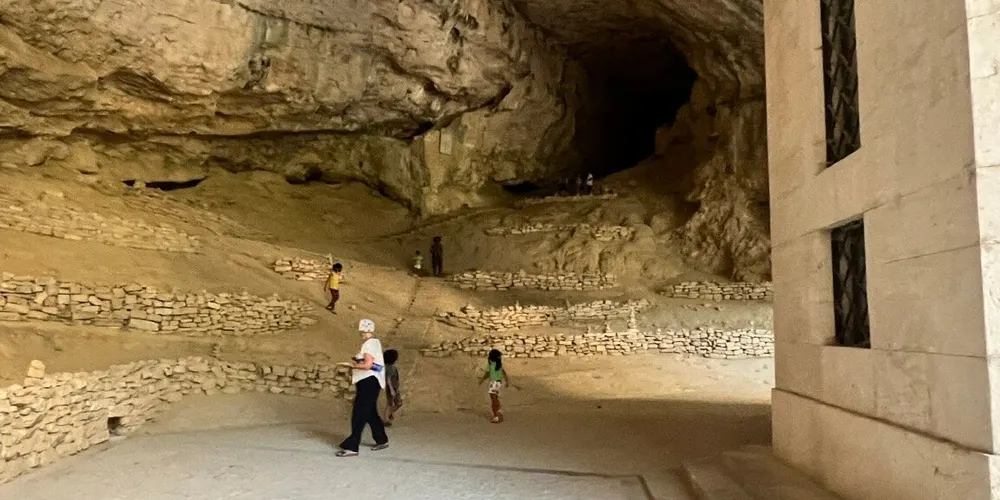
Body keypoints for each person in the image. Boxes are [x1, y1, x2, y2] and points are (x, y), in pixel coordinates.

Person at [336, 319, 389, 457]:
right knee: (370, 412)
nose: (361, 334)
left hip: (368, 381)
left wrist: (351, 365)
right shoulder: (375, 343)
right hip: (372, 382)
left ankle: (352, 446)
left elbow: (368, 365)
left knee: (359, 413)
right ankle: (381, 439)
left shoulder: (368, 344)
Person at [478, 349, 517, 423]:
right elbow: (504, 373)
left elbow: (487, 374)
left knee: (493, 399)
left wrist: (482, 380)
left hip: (493, 383)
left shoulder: (490, 364)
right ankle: (498, 408)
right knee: (495, 397)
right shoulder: (499, 364)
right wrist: (507, 381)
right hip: (499, 383)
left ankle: (496, 415)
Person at [383, 349, 402, 426]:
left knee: (398, 403)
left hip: (394, 388)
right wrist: (391, 390)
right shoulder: (390, 368)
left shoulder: (389, 367)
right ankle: (386, 419)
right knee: (390, 403)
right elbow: (388, 379)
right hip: (392, 388)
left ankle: (388, 415)